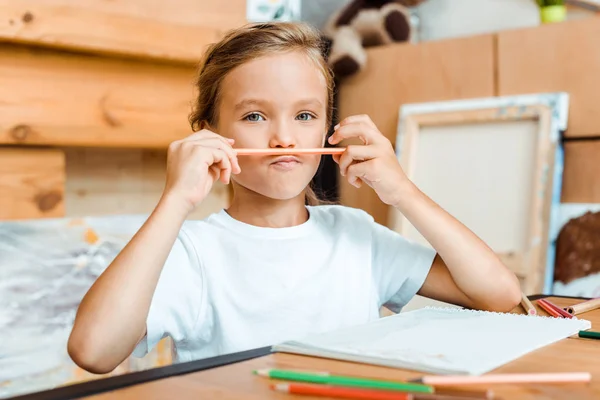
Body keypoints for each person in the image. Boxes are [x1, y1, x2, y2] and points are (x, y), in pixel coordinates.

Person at [67, 21, 521, 374]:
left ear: (327, 129)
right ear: (210, 134)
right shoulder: (193, 253)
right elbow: (94, 350)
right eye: (255, 115)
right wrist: (174, 201)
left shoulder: (354, 234)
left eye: (304, 114)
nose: (285, 138)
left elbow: (500, 295)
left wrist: (402, 190)